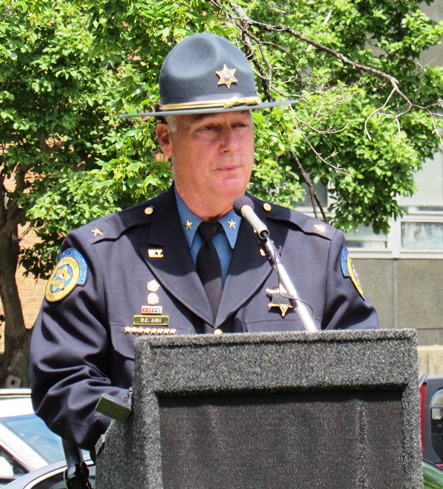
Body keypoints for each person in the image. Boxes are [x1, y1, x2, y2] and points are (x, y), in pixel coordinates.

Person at [30, 32, 379, 452]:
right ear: (165, 140)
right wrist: (153, 427)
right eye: (209, 128)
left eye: (241, 127)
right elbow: (63, 382)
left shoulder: (311, 254)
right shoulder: (105, 256)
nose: (230, 145)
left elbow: (368, 376)